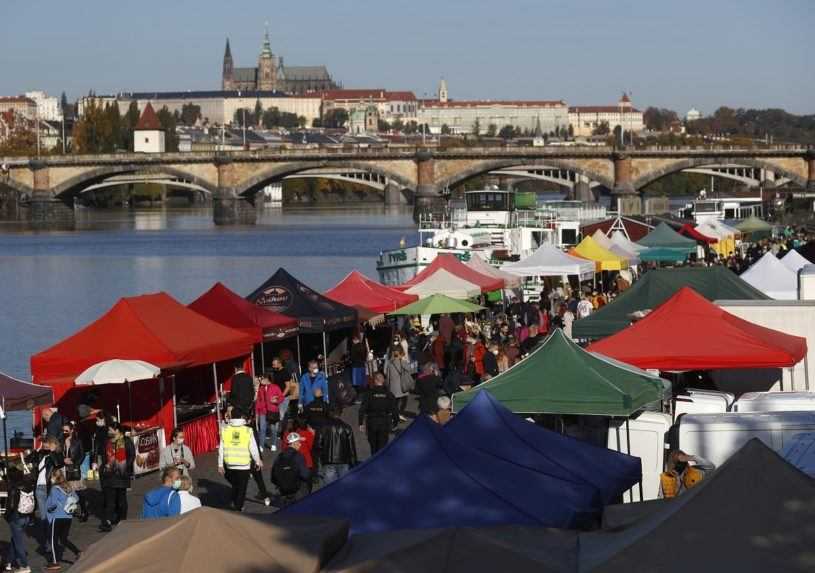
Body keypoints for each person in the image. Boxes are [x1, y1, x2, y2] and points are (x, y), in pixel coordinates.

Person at [218, 409, 262, 512]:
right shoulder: (248, 430)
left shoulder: (225, 430)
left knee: (235, 484)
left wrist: (220, 464)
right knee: (242, 488)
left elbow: (221, 448)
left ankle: (234, 501)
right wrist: (257, 461)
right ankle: (238, 508)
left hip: (230, 464)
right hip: (244, 464)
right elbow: (253, 448)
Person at [97, 421, 135, 532]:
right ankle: (107, 521)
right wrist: (103, 468)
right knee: (110, 500)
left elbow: (131, 456)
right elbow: (103, 457)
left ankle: (122, 519)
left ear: (117, 430)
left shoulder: (126, 441)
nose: (108, 431)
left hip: (121, 475)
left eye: (110, 430)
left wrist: (124, 466)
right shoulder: (107, 442)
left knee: (121, 500)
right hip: (109, 475)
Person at [45, 469, 81, 571]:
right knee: (63, 539)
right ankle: (77, 552)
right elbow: (77, 498)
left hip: (57, 517)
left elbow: (52, 504)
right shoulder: (69, 487)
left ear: (55, 477)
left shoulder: (54, 489)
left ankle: (55, 562)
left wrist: (48, 508)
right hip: (68, 517)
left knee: (53, 540)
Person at [34, 436, 64, 555]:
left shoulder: (57, 455)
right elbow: (31, 462)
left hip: (50, 488)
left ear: (54, 444)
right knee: (43, 518)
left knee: (52, 517)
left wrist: (52, 452)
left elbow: (58, 463)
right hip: (39, 488)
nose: (46, 445)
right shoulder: (42, 454)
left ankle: (54, 542)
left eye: (47, 443)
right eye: (44, 443)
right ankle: (48, 543)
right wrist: (37, 450)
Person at [314, 406, 358, 486]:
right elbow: (352, 448)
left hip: (328, 461)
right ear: (340, 414)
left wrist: (318, 464)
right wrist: (354, 464)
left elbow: (318, 446)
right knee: (344, 489)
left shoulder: (322, 427)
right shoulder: (347, 427)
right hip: (344, 461)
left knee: (330, 489)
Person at [358, 372, 399, 456]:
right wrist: (395, 422)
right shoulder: (389, 394)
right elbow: (395, 409)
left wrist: (361, 423)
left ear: (375, 381)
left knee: (373, 446)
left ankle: (374, 463)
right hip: (384, 422)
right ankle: (381, 464)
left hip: (372, 422)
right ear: (383, 381)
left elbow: (362, 409)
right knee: (383, 447)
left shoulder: (369, 394)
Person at [4, 465, 35, 573]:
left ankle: (25, 566)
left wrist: (7, 516)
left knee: (18, 542)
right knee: (15, 539)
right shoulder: (27, 483)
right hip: (26, 516)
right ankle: (8, 562)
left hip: (16, 517)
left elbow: (11, 506)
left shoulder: (13, 487)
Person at [271, 433, 311, 504]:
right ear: (294, 443)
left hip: (283, 490)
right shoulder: (298, 456)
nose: (300, 444)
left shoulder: (280, 456)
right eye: (299, 442)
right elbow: (305, 475)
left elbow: (273, 477)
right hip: (296, 490)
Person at [63, 422, 88, 523]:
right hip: (64, 469)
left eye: (66, 430)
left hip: (74, 469)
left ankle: (84, 511)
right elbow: (59, 454)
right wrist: (63, 460)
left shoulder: (77, 441)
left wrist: (74, 463)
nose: (64, 432)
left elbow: (82, 455)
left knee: (79, 491)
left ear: (71, 430)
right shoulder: (61, 441)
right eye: (63, 430)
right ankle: (68, 510)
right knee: (66, 491)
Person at [255, 375, 285, 452]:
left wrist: (276, 401)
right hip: (263, 411)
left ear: (267, 379)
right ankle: (261, 445)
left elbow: (281, 397)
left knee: (273, 429)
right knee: (262, 429)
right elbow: (259, 400)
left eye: (262, 378)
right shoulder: (261, 388)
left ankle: (274, 444)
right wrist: (257, 411)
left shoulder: (275, 387)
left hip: (272, 411)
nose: (260, 380)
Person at [385, 348, 412, 422]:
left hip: (393, 388)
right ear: (400, 354)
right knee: (404, 401)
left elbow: (388, 377)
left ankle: (395, 415)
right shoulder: (402, 362)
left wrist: (388, 386)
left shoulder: (390, 364)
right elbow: (409, 369)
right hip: (403, 386)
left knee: (395, 402)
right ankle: (400, 414)